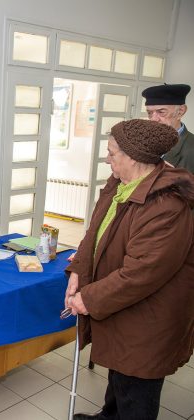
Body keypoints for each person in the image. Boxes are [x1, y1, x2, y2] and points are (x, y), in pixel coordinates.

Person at [64, 119, 194, 420]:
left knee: (136, 386)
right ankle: (109, 416)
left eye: (112, 153)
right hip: (125, 307)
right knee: (120, 369)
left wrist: (89, 298)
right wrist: (79, 269)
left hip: (150, 316)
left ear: (134, 158)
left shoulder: (166, 205)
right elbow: (94, 231)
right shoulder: (120, 184)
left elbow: (142, 272)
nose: (107, 159)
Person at [142, 83, 193, 173]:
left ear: (180, 112)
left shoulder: (191, 148)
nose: (153, 119)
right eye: (150, 113)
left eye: (161, 112)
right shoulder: (143, 139)